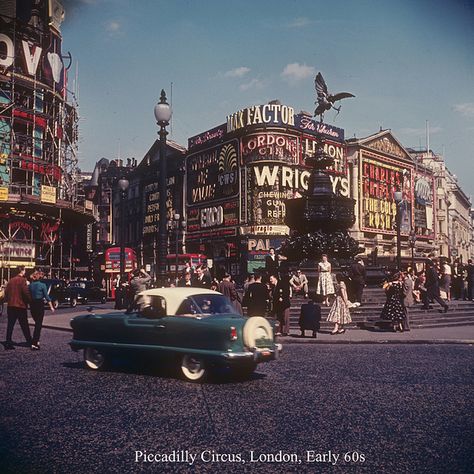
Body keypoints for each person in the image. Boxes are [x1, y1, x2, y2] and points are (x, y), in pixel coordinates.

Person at [3, 266, 31, 350]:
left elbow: (6, 293)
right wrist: (30, 300)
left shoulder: (11, 280)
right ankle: (29, 341)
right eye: (25, 270)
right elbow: (25, 292)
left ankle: (8, 342)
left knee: (10, 325)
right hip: (20, 306)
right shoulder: (23, 280)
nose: (25, 271)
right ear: (22, 271)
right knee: (24, 325)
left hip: (11, 306)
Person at [29, 268, 55, 350]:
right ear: (40, 277)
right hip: (39, 304)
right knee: (38, 324)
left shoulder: (30, 285)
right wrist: (51, 306)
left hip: (32, 304)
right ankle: (35, 342)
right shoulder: (43, 285)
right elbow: (47, 297)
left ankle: (36, 340)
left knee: (37, 322)